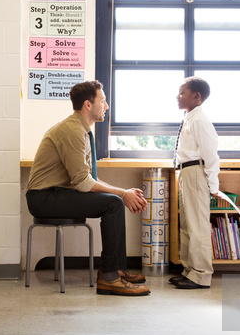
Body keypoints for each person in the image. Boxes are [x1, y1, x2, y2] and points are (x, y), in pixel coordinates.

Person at [26, 80, 151, 296]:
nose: (106, 106)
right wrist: (122, 193)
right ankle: (110, 278)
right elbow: (83, 183)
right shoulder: (72, 131)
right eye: (102, 101)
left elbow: (88, 177)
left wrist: (123, 193)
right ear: (87, 104)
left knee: (115, 201)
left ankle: (116, 270)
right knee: (113, 202)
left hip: (56, 194)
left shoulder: (80, 129)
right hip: (43, 199)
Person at [170, 76, 220, 290]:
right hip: (186, 172)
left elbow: (211, 155)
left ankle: (201, 274)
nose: (177, 96)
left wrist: (213, 185)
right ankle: (189, 270)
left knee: (198, 224)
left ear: (196, 97)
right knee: (188, 224)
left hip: (195, 172)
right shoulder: (190, 118)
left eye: (182, 92)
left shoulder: (200, 120)